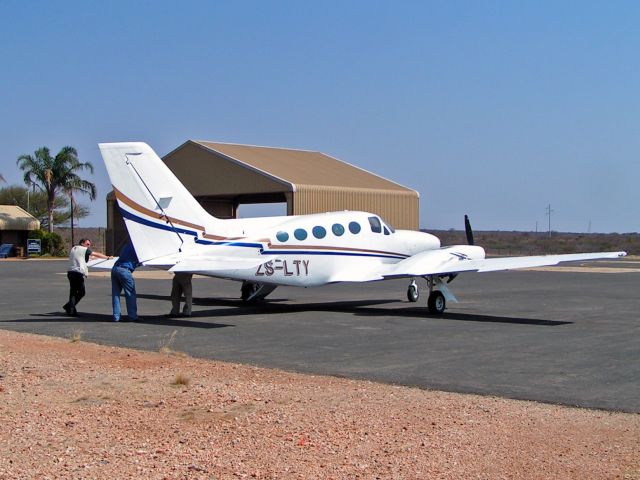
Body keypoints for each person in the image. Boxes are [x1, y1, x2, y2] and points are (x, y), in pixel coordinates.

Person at [63, 238, 111, 317]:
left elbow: (86, 258)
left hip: (70, 272)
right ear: (82, 243)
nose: (88, 246)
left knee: (73, 292)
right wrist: (107, 257)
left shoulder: (74, 248)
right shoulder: (84, 249)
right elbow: (95, 254)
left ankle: (71, 309)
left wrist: (96, 259)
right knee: (81, 292)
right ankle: (69, 307)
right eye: (87, 244)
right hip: (77, 273)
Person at [111, 242, 140, 322]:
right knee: (130, 294)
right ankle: (132, 316)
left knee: (116, 294)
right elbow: (140, 260)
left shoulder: (126, 245)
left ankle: (116, 317)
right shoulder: (138, 247)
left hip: (115, 268)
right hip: (125, 270)